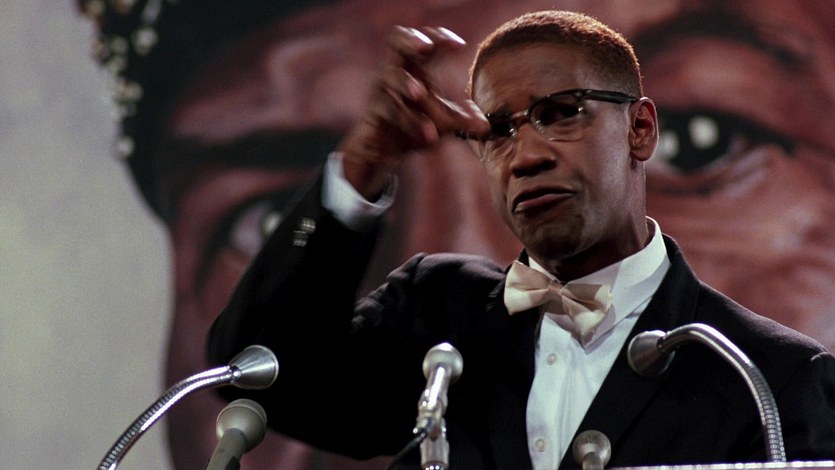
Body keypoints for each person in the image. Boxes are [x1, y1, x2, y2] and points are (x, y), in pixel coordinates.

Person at [77, 1, 835, 468]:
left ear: (640, 129)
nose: (526, 154)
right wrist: (356, 172)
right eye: (498, 130)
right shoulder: (435, 313)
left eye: (562, 114)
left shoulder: (776, 380)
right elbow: (262, 373)